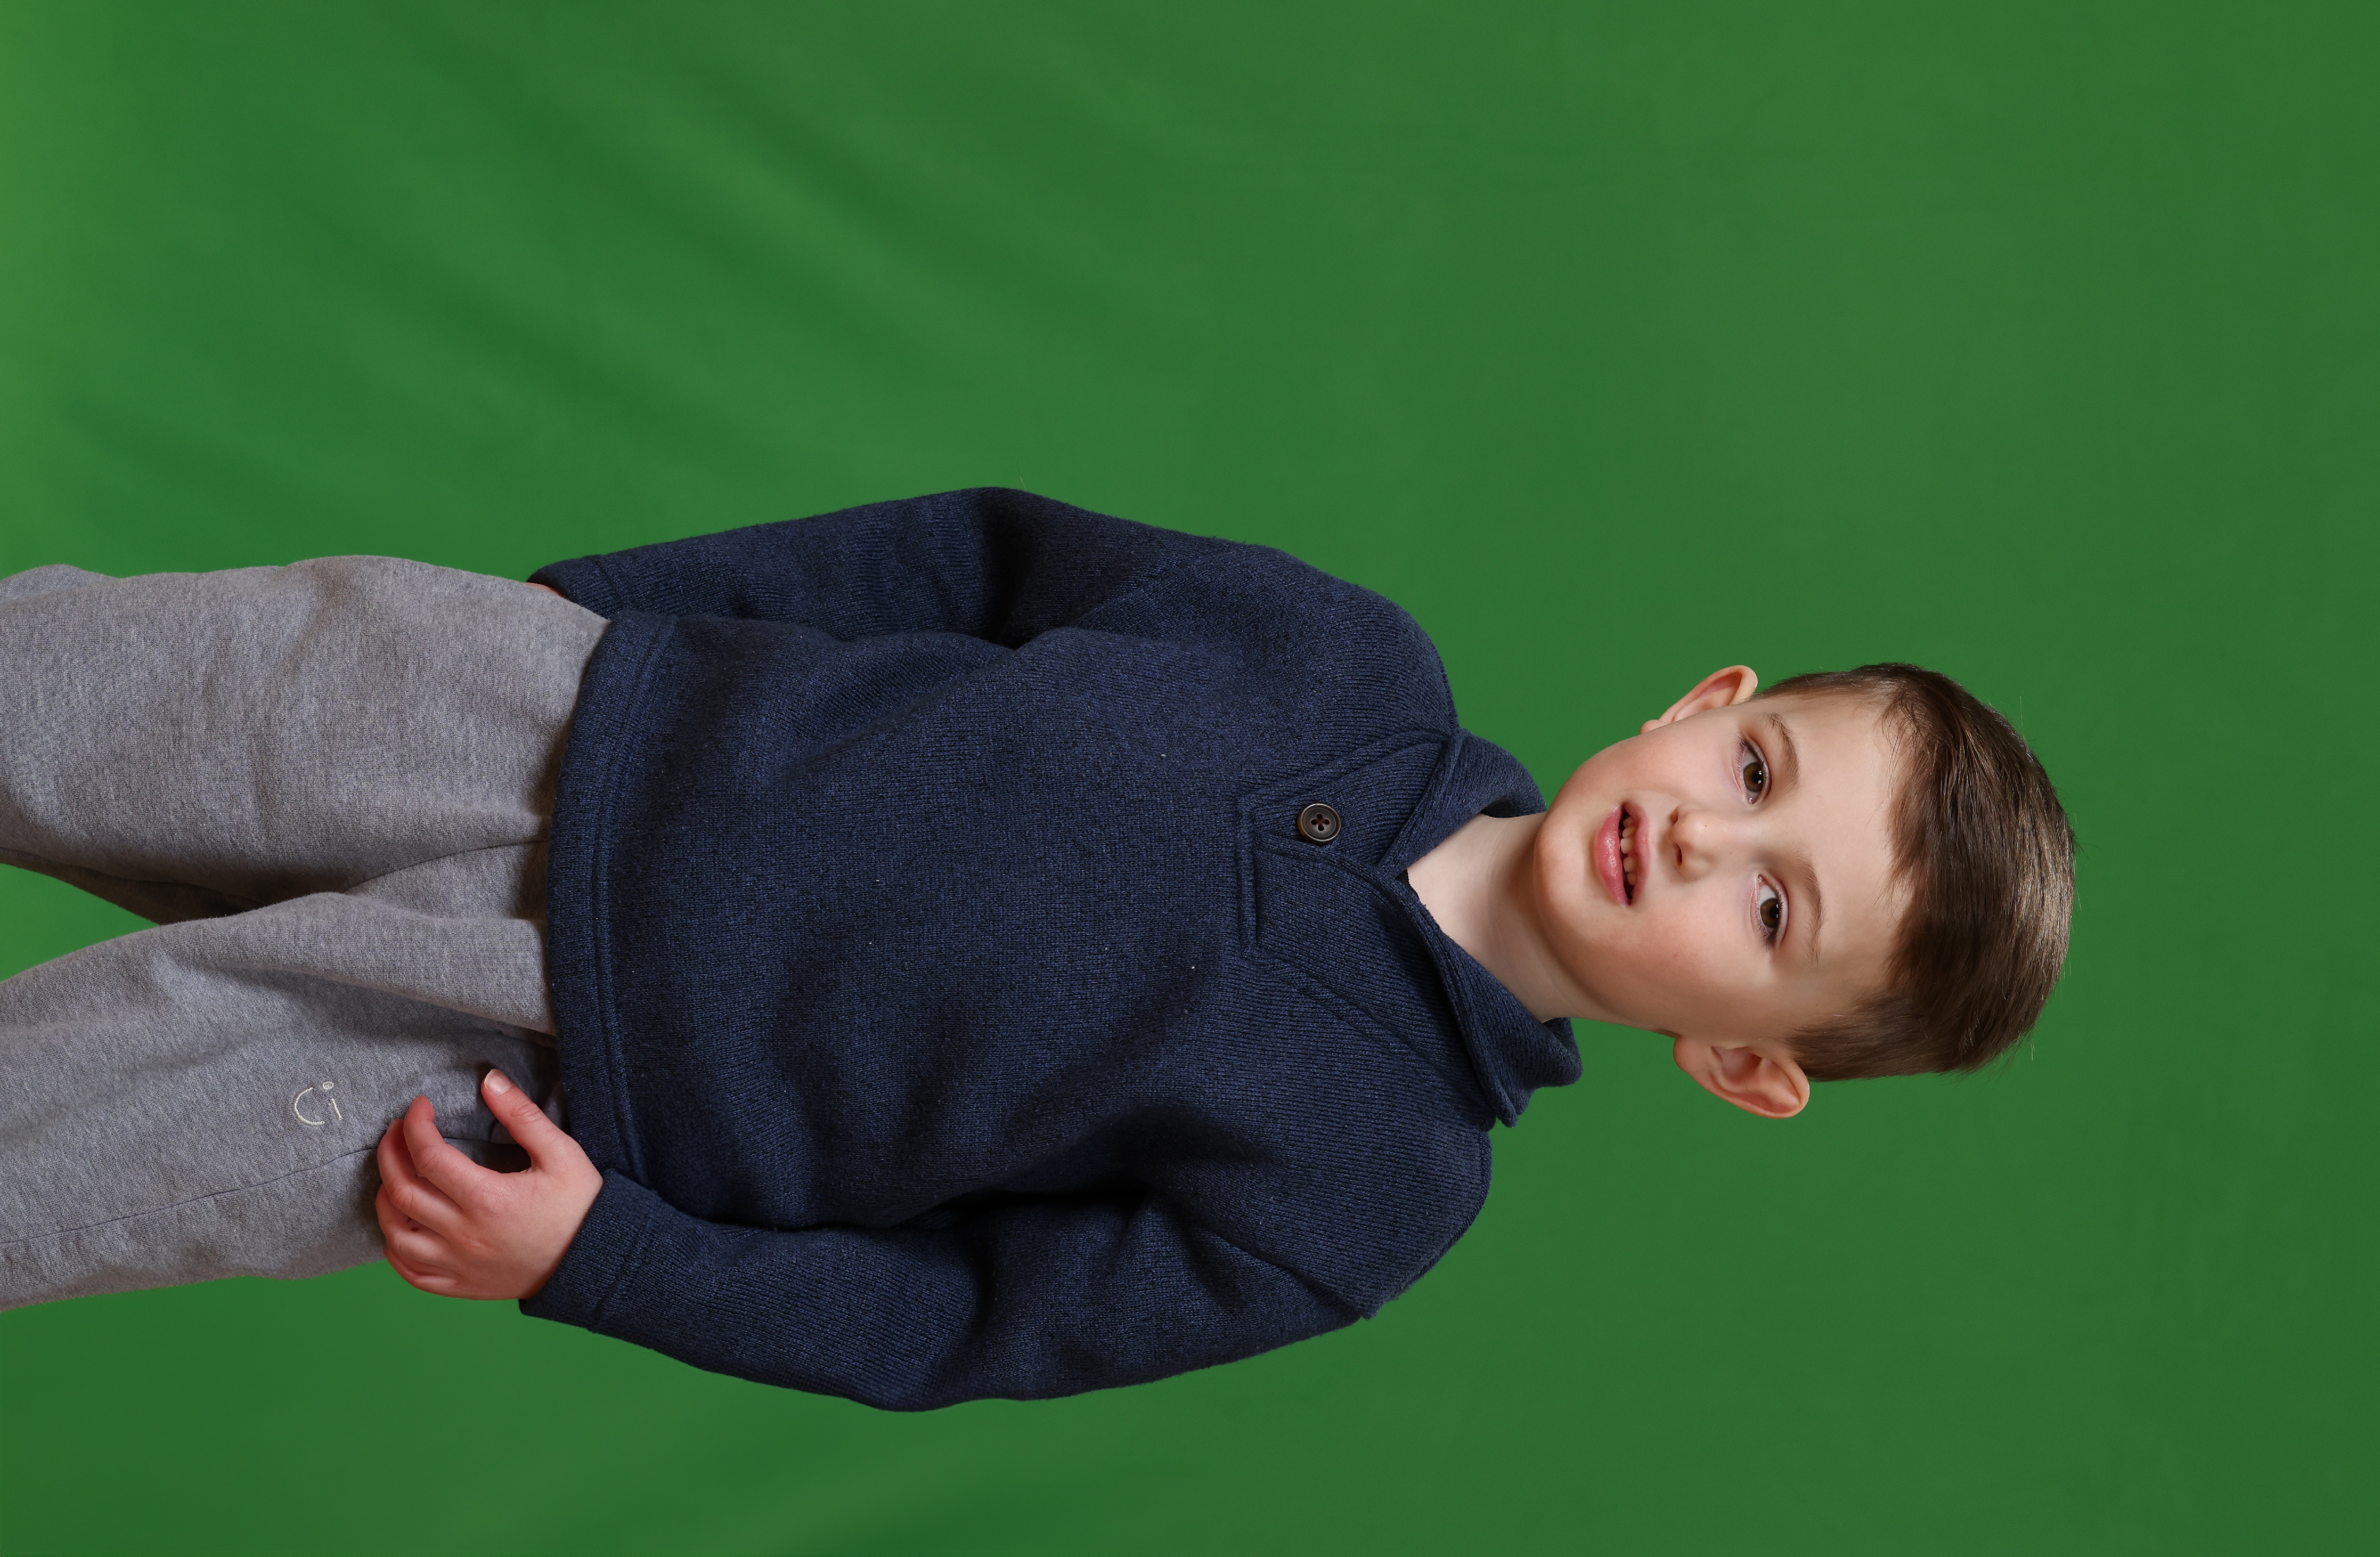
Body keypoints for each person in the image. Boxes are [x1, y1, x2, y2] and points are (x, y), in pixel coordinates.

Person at [0, 488, 2073, 1409]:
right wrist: (594, 609)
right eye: (1757, 768)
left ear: (1745, 1063)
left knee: (50, 1146)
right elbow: (974, 555)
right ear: (1712, 698)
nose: (1705, 832)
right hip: (546, 714)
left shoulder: (1369, 1194)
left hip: (527, 1070)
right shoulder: (1338, 654)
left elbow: (954, 1323)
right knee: (51, 687)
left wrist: (603, 1256)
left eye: (1772, 909)